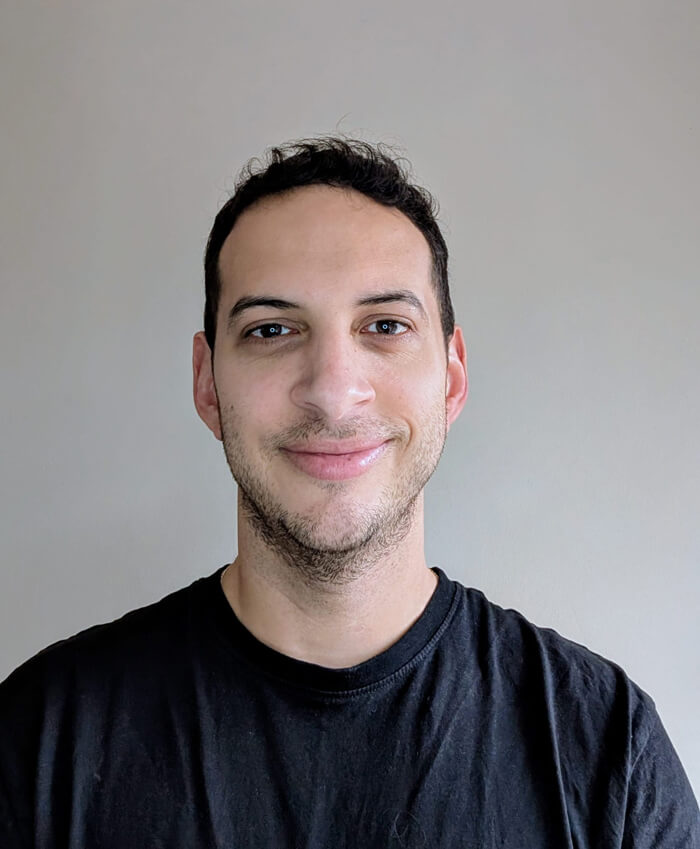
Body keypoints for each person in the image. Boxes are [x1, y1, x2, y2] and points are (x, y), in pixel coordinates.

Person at [0, 137, 698, 848]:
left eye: (386, 326)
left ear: (452, 378)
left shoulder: (607, 749)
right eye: (272, 329)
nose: (333, 392)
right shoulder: (39, 740)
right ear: (208, 384)